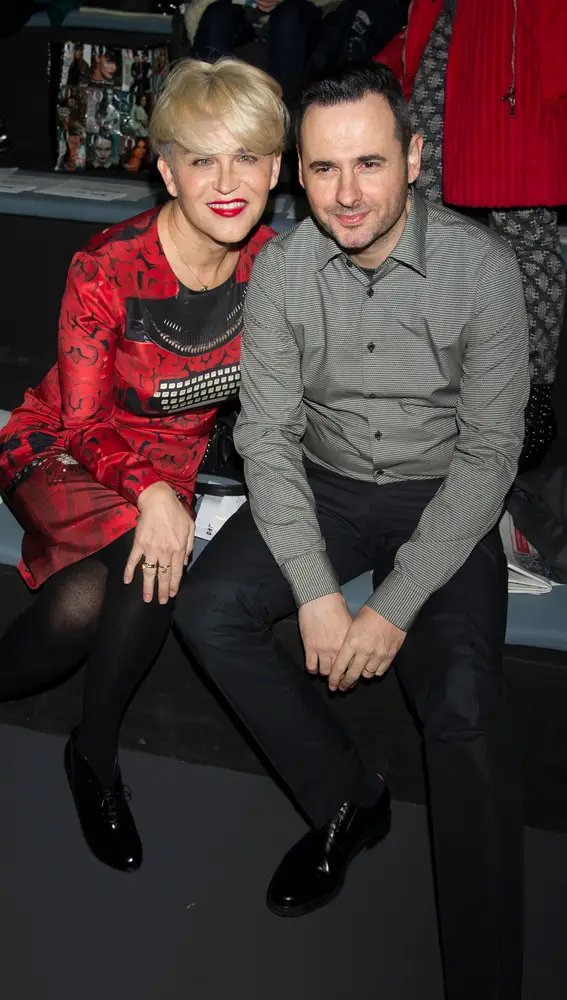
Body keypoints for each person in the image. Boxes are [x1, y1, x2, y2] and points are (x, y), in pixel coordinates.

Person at [175, 63, 528, 1000]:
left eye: (369, 163)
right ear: (299, 172)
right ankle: (344, 799)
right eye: (324, 169)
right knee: (208, 606)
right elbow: (266, 436)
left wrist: (391, 609)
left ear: (414, 157)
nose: (348, 194)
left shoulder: (483, 272)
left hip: (439, 491)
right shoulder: (286, 267)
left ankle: (485, 977)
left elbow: (491, 458)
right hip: (324, 486)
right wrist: (319, 593)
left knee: (463, 702)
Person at [0, 57, 285, 873]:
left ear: (274, 167)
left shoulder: (276, 267)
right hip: (62, 443)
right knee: (144, 538)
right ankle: (95, 757)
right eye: (202, 159)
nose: (227, 182)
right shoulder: (107, 265)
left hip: (175, 462)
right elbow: (84, 419)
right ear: (166, 170)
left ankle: (89, 756)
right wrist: (154, 491)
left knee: (94, 596)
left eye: (247, 157)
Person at [402, 0, 567, 470]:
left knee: (527, 226)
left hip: (519, 27)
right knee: (420, 206)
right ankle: (423, 375)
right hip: (453, 20)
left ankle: (528, 395)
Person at [187, 0, 408, 102]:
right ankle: (205, 107)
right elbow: (194, 13)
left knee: (289, 16)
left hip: (300, 16)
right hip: (238, 14)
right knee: (217, 15)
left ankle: (282, 114)